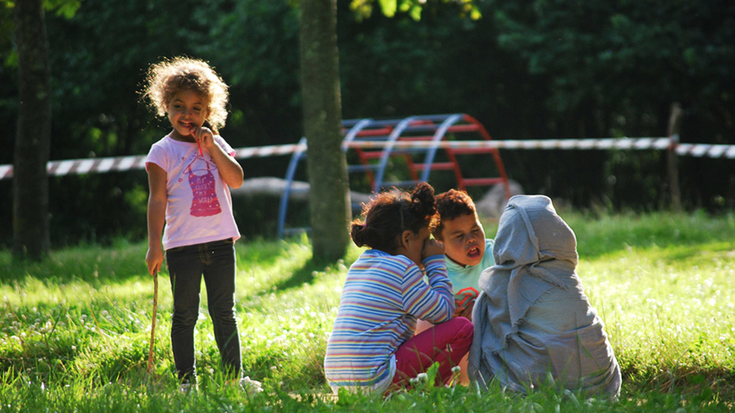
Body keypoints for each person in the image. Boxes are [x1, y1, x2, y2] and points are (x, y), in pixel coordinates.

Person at [142, 56, 260, 393]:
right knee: (184, 316)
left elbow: (236, 180)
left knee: (224, 312)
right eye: (179, 106)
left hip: (221, 243)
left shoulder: (216, 144)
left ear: (208, 112)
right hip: (181, 247)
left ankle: (234, 378)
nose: (187, 115)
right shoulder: (160, 152)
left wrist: (212, 148)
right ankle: (186, 383)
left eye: (196, 108)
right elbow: (157, 200)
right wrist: (154, 245)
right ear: (165, 106)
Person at [324, 183, 474, 395]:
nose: (426, 249)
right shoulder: (402, 269)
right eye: (424, 242)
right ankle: (427, 393)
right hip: (373, 378)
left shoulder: (359, 265)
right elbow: (444, 311)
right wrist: (435, 262)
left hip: (339, 381)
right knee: (462, 328)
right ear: (406, 239)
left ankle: (403, 391)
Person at [467, 195, 621, 398]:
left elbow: (491, 332)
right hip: (600, 382)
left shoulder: (507, 279)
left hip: (539, 384)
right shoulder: (565, 272)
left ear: (510, 234)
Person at [433, 189, 495, 321]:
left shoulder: (495, 256)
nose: (471, 239)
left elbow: (511, 291)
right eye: (459, 236)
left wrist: (483, 305)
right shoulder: (436, 272)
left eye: (475, 229)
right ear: (440, 244)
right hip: (458, 335)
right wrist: (443, 312)